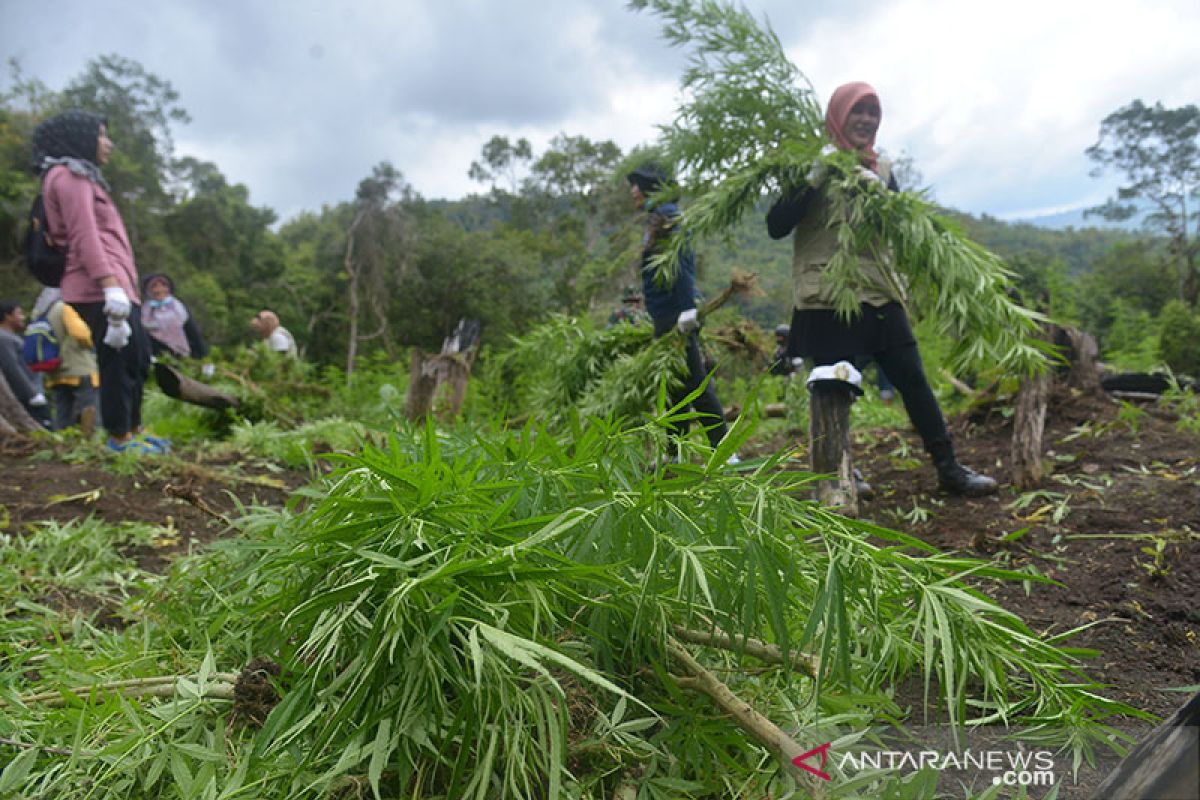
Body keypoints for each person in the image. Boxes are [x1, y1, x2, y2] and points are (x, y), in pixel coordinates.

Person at [766, 82, 996, 496]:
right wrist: (816, 178)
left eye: (874, 113)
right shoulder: (809, 166)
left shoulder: (883, 169)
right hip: (827, 296)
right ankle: (840, 473)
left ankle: (949, 467)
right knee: (836, 386)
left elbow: (904, 231)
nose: (867, 120)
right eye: (858, 111)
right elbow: (777, 225)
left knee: (913, 380)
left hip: (878, 291)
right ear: (838, 116)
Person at [34, 110, 160, 454]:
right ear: (80, 137)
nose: (108, 143)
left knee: (137, 358)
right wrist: (110, 287)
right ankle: (119, 439)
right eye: (102, 135)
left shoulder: (86, 178)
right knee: (117, 362)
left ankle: (134, 430)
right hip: (96, 287)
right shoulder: (67, 176)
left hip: (118, 284)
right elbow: (84, 236)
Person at [627, 164, 735, 463]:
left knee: (697, 384)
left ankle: (725, 452)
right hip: (664, 313)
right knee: (676, 385)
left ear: (650, 187)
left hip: (677, 313)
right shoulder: (658, 216)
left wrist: (688, 308)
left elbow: (681, 262)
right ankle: (674, 453)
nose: (632, 192)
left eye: (636, 186)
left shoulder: (669, 215)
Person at [30, 288, 99, 433]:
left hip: (54, 372)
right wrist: (91, 345)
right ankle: (92, 442)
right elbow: (81, 334)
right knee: (89, 407)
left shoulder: (38, 313)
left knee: (62, 410)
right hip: (79, 368)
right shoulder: (63, 308)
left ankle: (62, 440)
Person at [140, 273, 210, 365]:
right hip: (159, 359)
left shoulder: (179, 309)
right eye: (154, 286)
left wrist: (203, 357)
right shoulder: (144, 313)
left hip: (185, 357)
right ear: (148, 290)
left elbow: (193, 333)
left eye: (163, 285)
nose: (159, 290)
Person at [0, 300, 50, 425]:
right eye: (19, 313)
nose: (22, 317)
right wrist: (31, 394)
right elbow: (12, 368)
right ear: (8, 316)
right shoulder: (4, 339)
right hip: (26, 398)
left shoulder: (11, 337)